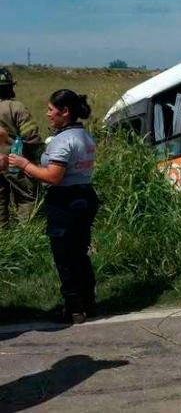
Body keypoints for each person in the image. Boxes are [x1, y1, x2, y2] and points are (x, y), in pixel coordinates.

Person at [9, 89, 99, 324]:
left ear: (65, 112)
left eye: (51, 110)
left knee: (65, 257)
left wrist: (24, 164)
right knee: (80, 253)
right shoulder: (85, 136)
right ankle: (89, 301)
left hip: (64, 202)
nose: (47, 115)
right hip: (85, 196)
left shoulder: (63, 141)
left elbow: (52, 176)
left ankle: (73, 308)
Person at [0, 67, 43, 228]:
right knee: (26, 197)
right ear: (10, 86)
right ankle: (27, 236)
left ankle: (3, 241)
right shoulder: (16, 107)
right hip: (15, 163)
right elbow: (30, 136)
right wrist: (39, 158)